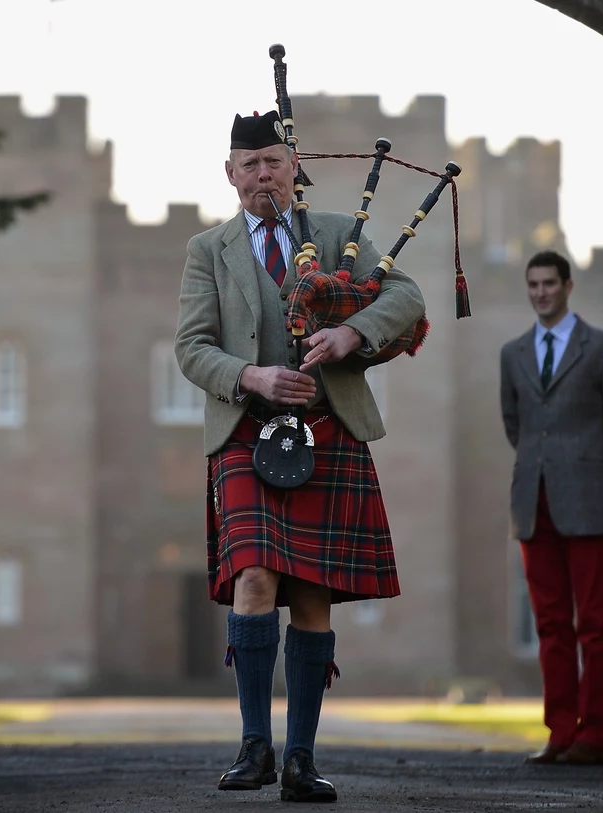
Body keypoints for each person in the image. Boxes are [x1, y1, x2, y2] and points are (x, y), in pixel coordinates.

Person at [175, 110, 426, 802]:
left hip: (326, 428)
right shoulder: (209, 250)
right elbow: (190, 346)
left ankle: (301, 757)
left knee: (313, 591)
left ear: (294, 168)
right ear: (231, 174)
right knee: (255, 576)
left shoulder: (338, 233)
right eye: (249, 165)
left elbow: (405, 295)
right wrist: (249, 376)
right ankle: (255, 745)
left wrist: (352, 334)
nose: (263, 176)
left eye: (275, 163)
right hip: (247, 433)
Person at [499, 251, 603, 766]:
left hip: (591, 502)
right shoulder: (513, 353)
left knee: (597, 624)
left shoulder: (602, 348)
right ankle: (560, 733)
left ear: (568, 286)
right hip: (532, 505)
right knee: (551, 624)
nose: (541, 292)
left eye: (549, 283)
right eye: (533, 284)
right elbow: (516, 426)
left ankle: (593, 737)